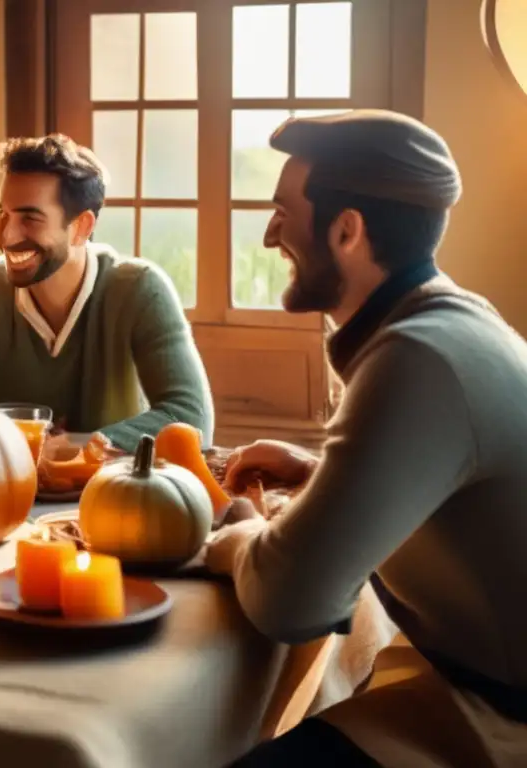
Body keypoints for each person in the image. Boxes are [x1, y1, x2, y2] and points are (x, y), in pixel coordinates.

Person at [205, 110, 527, 766]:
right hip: (479, 688)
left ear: (346, 230)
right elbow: (447, 477)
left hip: (500, 721)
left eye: (282, 213)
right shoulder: (453, 320)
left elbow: (290, 603)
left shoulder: (417, 357)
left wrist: (234, 529)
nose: (270, 235)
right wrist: (315, 467)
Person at [0, 134, 214, 459]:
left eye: (30, 218)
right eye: (2, 214)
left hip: (117, 496)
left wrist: (79, 445)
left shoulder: (140, 289)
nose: (7, 235)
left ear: (81, 227)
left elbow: (192, 418)